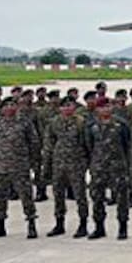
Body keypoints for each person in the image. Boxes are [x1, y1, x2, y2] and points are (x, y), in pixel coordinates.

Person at [0, 98, 39, 239]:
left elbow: (33, 143)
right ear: (2, 109)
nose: (9, 107)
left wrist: (33, 162)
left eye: (12, 105)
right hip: (1, 167)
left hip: (20, 166)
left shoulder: (24, 123)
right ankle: (0, 226)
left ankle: (31, 224)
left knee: (26, 196)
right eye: (6, 105)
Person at [42, 97, 89, 238]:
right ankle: (59, 223)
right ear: (60, 108)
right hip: (59, 163)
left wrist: (86, 163)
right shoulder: (54, 122)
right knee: (58, 194)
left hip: (76, 163)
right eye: (64, 106)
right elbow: (49, 144)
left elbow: (87, 144)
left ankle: (83, 223)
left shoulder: (81, 122)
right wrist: (47, 164)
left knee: (80, 195)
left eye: (70, 105)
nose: (67, 108)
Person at [86, 99, 132, 240]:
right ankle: (99, 227)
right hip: (98, 167)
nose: (105, 109)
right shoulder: (91, 126)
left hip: (117, 167)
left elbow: (127, 145)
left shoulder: (121, 125)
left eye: (108, 106)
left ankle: (122, 227)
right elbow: (89, 146)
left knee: (121, 198)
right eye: (102, 107)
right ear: (97, 109)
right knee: (97, 197)